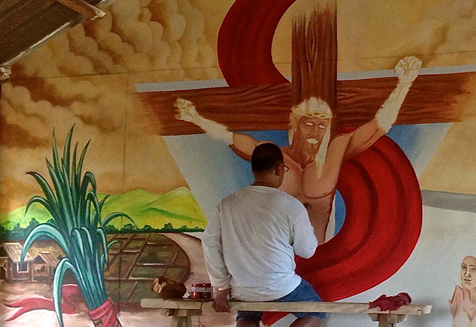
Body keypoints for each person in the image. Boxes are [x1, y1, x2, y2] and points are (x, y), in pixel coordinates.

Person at [176, 56, 422, 244]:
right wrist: (196, 118)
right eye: (309, 123)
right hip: (274, 252)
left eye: (323, 125)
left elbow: (380, 126)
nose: (316, 132)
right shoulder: (272, 154)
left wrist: (405, 83)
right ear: (294, 124)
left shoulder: (337, 149)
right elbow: (231, 138)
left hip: (316, 252)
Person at [202, 143, 326, 327]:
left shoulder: (227, 204)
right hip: (281, 286)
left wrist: (220, 286)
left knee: (247, 314)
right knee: (316, 311)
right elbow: (307, 251)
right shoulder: (290, 205)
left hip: (242, 287)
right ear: (280, 169)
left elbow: (210, 244)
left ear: (254, 169)